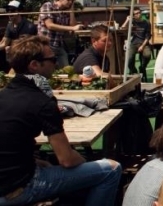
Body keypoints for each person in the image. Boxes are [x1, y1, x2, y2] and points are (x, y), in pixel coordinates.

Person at [0, 35, 122, 206]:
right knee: (111, 169)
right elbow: (66, 159)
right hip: (19, 189)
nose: (56, 64)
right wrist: (84, 163)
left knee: (48, 164)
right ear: (34, 65)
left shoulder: (4, 95)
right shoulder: (42, 101)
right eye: (52, 59)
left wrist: (34, 162)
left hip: (7, 182)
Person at [37, 0, 82, 69]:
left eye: (72, 1)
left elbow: (72, 26)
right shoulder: (48, 5)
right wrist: (72, 28)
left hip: (58, 45)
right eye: (68, 0)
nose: (70, 2)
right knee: (47, 69)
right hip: (46, 44)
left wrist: (71, 10)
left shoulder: (65, 11)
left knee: (66, 70)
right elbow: (50, 25)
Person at [1, 0, 38, 70]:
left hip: (26, 55)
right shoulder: (10, 25)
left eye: (12, 10)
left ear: (20, 12)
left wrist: (12, 48)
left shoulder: (29, 26)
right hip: (14, 54)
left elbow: (27, 46)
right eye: (8, 10)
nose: (9, 13)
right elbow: (4, 43)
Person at [122, 8, 152, 81]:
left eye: (139, 12)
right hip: (134, 43)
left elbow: (148, 37)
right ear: (133, 15)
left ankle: (142, 67)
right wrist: (127, 20)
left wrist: (142, 46)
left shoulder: (147, 23)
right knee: (129, 59)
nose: (138, 14)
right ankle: (134, 71)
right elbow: (122, 28)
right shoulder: (132, 22)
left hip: (143, 43)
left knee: (147, 55)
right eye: (136, 13)